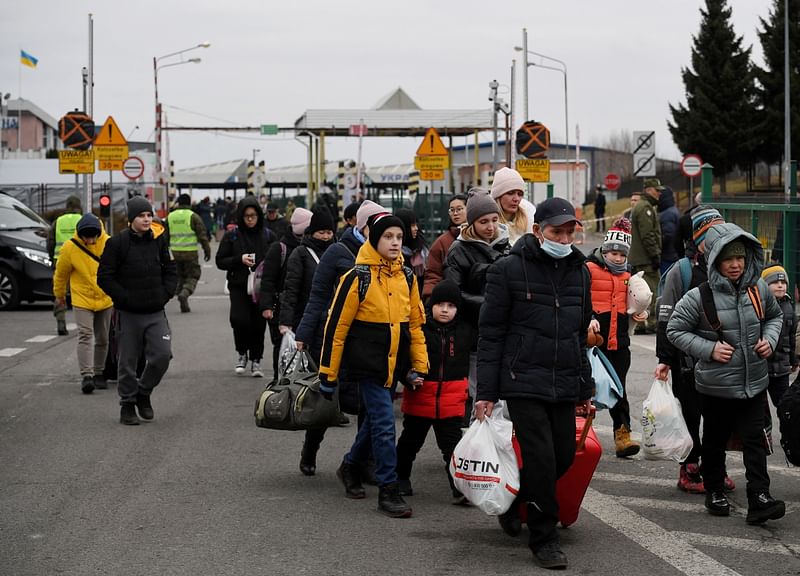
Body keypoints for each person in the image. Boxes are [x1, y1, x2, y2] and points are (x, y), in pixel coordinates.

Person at [475, 197, 592, 570]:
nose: (564, 237)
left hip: (562, 378)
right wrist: (487, 394)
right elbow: (490, 334)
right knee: (540, 456)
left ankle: (516, 500)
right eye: (557, 231)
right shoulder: (507, 270)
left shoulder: (581, 271)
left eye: (570, 231)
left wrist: (585, 387)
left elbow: (578, 334)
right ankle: (544, 535)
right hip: (521, 378)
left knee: (561, 456)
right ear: (539, 231)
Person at [667, 223, 785, 525]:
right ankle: (715, 490)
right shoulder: (698, 296)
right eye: (728, 259)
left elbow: (775, 315)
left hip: (754, 383)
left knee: (755, 441)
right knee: (715, 440)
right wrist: (708, 350)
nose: (735, 265)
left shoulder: (758, 289)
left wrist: (769, 341)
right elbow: (675, 330)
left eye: (740, 259)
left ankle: (760, 497)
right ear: (716, 260)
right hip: (715, 386)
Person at [319, 212, 428, 518]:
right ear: (374, 239)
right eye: (388, 237)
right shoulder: (356, 277)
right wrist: (328, 374)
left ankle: (350, 466)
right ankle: (388, 489)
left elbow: (417, 325)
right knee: (384, 424)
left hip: (394, 365)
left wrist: (419, 364)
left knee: (374, 423)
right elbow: (336, 327)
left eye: (399, 237)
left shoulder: (407, 277)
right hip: (367, 366)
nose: (395, 243)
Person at [294, 200, 384, 476]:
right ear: (363, 227)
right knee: (326, 397)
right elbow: (318, 296)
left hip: (370, 340)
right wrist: (304, 334)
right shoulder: (338, 252)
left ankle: (362, 463)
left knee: (370, 404)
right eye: (377, 228)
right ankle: (310, 448)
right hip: (335, 337)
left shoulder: (386, 254)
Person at [656, 205, 734, 493]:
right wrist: (665, 358)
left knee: (719, 417)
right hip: (686, 360)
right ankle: (688, 468)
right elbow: (665, 315)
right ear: (697, 238)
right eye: (710, 233)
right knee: (690, 413)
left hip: (723, 359)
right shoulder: (682, 271)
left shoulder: (732, 267)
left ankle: (714, 468)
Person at [97, 197, 177, 425]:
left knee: (162, 355)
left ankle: (144, 392)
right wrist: (124, 297)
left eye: (149, 215)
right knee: (127, 362)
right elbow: (104, 277)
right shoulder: (117, 244)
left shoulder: (159, 240)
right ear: (132, 219)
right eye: (142, 216)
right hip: (128, 313)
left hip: (155, 311)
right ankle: (127, 405)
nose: (146, 219)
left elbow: (170, 269)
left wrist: (166, 293)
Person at [395, 279, 472, 504]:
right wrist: (407, 377)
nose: (445, 310)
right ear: (431, 306)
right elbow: (402, 360)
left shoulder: (465, 331)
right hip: (421, 396)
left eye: (451, 305)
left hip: (451, 400)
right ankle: (400, 478)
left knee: (453, 448)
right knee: (410, 443)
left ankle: (458, 487)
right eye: (440, 305)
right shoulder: (419, 330)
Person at [444, 190, 510, 424]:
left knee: (502, 395)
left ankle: (498, 446)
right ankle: (478, 449)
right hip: (474, 333)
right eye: (484, 221)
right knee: (481, 394)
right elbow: (454, 293)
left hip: (504, 331)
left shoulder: (506, 246)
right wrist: (488, 305)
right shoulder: (458, 250)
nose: (491, 226)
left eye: (494, 220)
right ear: (472, 222)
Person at [586, 217, 645, 458]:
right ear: (604, 250)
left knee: (618, 390)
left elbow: (633, 302)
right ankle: (578, 435)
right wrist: (588, 317)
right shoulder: (588, 269)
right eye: (613, 253)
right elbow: (578, 297)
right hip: (594, 343)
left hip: (619, 342)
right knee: (585, 390)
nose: (618, 258)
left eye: (622, 255)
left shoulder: (629, 276)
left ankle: (623, 436)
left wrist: (641, 314)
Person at [53, 213, 113, 394]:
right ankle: (87, 376)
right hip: (82, 298)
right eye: (86, 237)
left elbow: (119, 269)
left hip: (105, 297)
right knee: (85, 335)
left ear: (99, 233)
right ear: (80, 234)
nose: (90, 240)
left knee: (103, 338)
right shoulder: (70, 248)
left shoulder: (109, 243)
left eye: (93, 236)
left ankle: (99, 372)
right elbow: (61, 274)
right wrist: (59, 295)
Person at [215, 197, 272, 377]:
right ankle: (242, 353)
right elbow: (220, 260)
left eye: (253, 215)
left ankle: (256, 359)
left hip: (261, 286)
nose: (250, 219)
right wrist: (238, 260)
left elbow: (277, 258)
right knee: (239, 319)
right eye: (246, 216)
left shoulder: (268, 235)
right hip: (239, 285)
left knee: (258, 323)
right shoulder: (232, 236)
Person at [259, 207, 313, 382]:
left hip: (304, 305)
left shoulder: (312, 247)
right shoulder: (279, 249)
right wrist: (266, 306)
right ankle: (280, 379)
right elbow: (267, 279)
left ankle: (301, 381)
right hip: (280, 306)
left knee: (303, 345)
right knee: (282, 346)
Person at [628, 178, 663, 334]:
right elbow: (647, 234)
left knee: (640, 291)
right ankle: (651, 321)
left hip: (639, 257)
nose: (659, 193)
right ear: (649, 190)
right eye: (657, 190)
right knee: (651, 290)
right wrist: (654, 254)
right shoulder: (645, 208)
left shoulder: (642, 206)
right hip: (645, 258)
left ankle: (641, 323)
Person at [166, 193, 211, 313]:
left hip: (175, 253)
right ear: (189, 203)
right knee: (193, 275)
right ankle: (184, 294)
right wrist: (207, 250)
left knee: (180, 276)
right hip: (190, 253)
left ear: (178, 203)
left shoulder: (170, 216)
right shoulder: (193, 216)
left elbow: (164, 236)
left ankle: (179, 292)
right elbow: (202, 235)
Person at [762, 265, 797, 408]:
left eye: (783, 283)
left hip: (782, 367)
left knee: (784, 405)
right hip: (761, 368)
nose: (780, 286)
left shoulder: (789, 306)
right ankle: (766, 428)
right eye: (775, 282)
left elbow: (792, 336)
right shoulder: (760, 306)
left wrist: (794, 360)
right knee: (760, 409)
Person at [48, 195, 83, 336]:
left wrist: (53, 258)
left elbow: (50, 242)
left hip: (61, 259)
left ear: (67, 206)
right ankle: (83, 323)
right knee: (81, 291)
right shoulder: (82, 220)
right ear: (79, 207)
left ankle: (61, 322)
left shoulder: (58, 222)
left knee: (60, 292)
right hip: (79, 260)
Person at [423, 193, 467, 301]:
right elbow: (433, 274)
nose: (455, 213)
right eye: (452, 210)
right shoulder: (441, 242)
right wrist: (430, 299)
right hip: (450, 301)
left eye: (459, 209)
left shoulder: (481, 237)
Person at [490, 167, 535, 246]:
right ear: (498, 196)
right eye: (510, 193)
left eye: (520, 194)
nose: (516, 199)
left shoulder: (529, 218)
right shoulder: (488, 224)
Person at [395, 208, 429, 294]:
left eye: (416, 224)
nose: (416, 228)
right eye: (412, 225)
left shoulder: (422, 248)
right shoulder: (394, 252)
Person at [658, 186, 681, 275]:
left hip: (668, 256)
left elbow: (668, 235)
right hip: (671, 253)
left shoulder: (667, 214)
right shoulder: (671, 210)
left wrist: (657, 247)